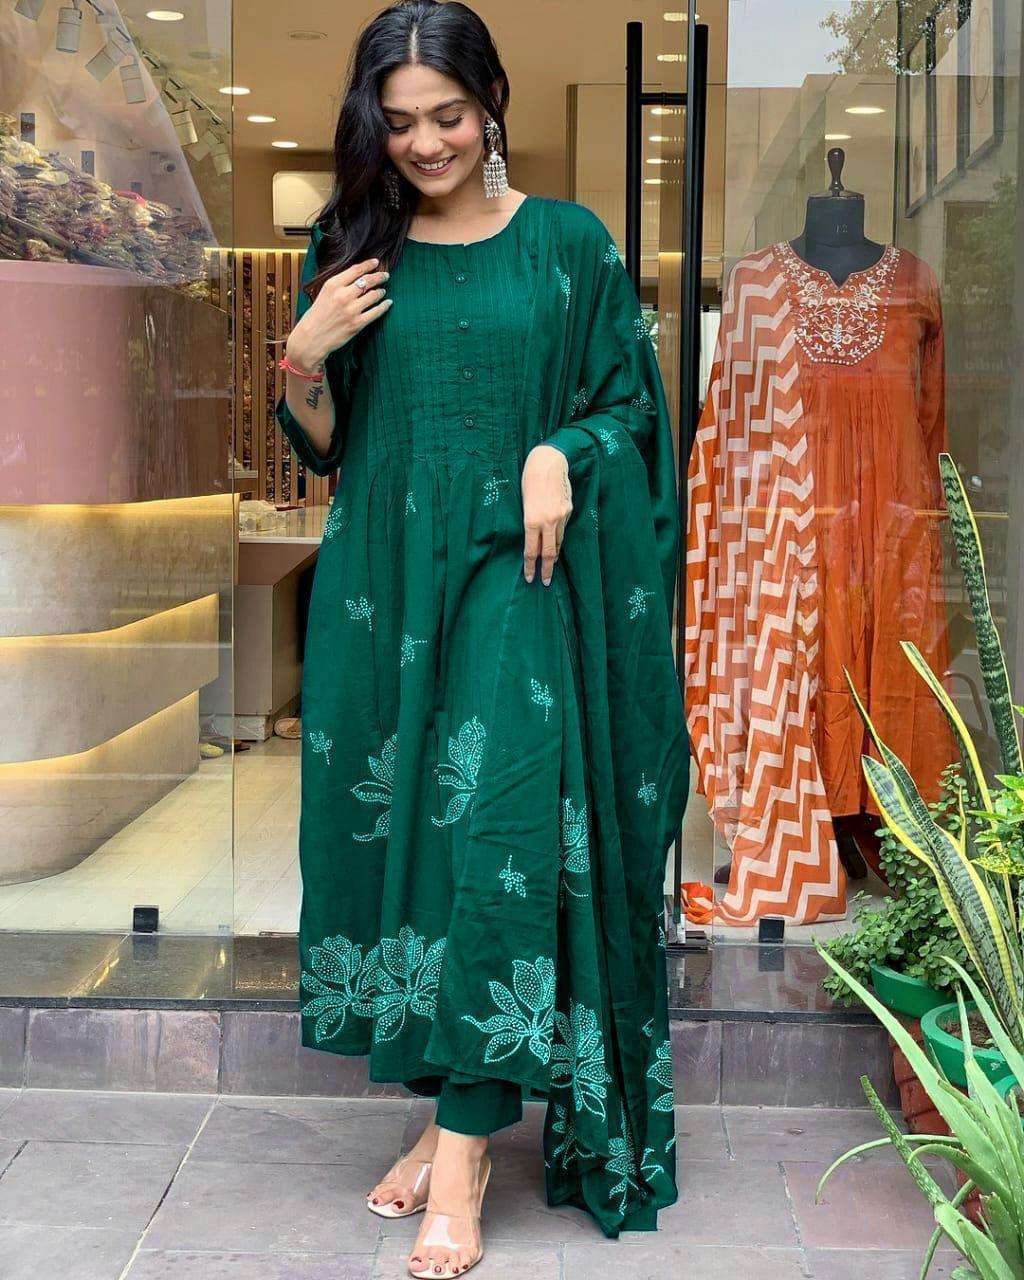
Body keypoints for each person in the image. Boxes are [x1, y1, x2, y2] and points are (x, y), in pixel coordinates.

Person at [275, 3, 688, 1275]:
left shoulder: (568, 244)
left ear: (490, 101)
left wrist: (561, 449)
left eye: (446, 115)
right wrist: (300, 354)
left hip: (522, 572)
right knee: (415, 844)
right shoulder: (353, 248)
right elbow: (325, 444)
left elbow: (632, 408)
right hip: (385, 586)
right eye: (398, 122)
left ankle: (460, 1157)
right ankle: (444, 1112)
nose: (425, 143)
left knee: (498, 838)